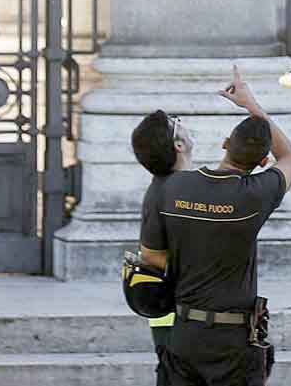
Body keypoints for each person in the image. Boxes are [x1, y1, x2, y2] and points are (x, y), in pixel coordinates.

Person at [139, 66, 291, 386]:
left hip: (186, 333)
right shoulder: (255, 195)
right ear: (261, 163)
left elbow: (152, 259)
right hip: (235, 342)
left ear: (225, 143)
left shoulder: (171, 189)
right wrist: (251, 105)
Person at [127, 110, 197, 385]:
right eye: (176, 123)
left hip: (183, 319)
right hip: (176, 321)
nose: (183, 123)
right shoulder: (168, 193)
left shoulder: (169, 188)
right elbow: (153, 261)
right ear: (178, 145)